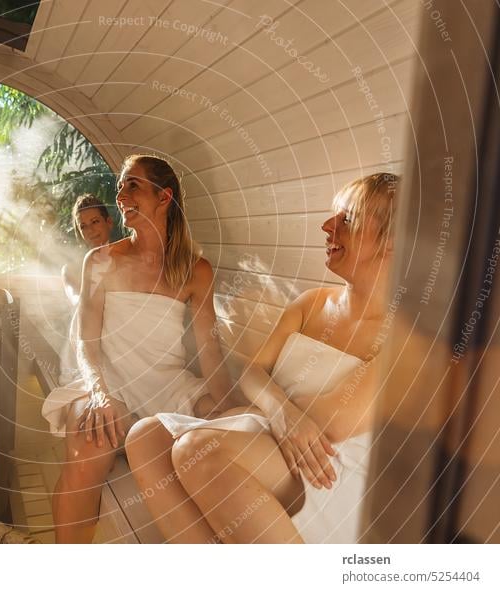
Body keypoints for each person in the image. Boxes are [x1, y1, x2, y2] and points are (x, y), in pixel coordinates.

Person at [126, 173, 399, 543]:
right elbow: (252, 372)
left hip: (325, 469)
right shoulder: (311, 303)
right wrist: (278, 410)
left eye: (347, 219)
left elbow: (331, 423)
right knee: (144, 437)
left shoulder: (408, 336)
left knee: (197, 449)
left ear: (394, 241)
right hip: (273, 433)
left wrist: (264, 409)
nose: (327, 226)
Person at [42, 155, 235, 543]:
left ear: (164, 196)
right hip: (109, 378)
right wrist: (100, 393)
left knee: (222, 421)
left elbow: (209, 349)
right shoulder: (100, 260)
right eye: (120, 186)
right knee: (91, 442)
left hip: (168, 383)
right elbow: (86, 339)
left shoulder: (195, 270)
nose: (121, 194)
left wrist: (228, 406)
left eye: (133, 185)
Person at [58, 195, 114, 385]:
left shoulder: (128, 262)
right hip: (87, 332)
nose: (90, 230)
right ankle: (89, 368)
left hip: (121, 337)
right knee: (84, 311)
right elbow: (78, 302)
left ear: (109, 222)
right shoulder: (71, 270)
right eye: (83, 226)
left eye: (95, 222)